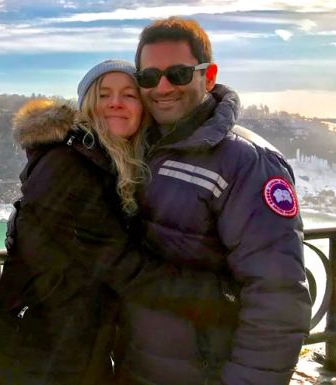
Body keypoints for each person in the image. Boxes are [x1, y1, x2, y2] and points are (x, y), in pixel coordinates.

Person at [113, 16, 312, 385]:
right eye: (148, 77)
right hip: (134, 367)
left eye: (178, 73)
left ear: (209, 75)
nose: (162, 87)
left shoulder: (248, 164)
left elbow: (277, 296)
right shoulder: (138, 148)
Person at [0, 59, 152, 385]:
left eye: (129, 94)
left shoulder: (106, 163)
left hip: (69, 347)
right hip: (37, 357)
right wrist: (216, 294)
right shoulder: (67, 166)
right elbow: (124, 267)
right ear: (87, 104)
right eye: (103, 94)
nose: (116, 102)